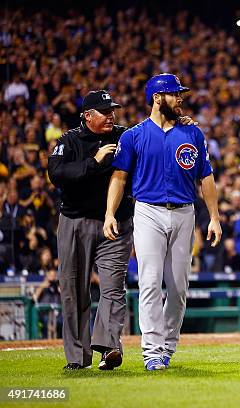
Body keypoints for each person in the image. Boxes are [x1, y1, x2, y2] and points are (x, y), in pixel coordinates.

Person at [104, 73, 222, 371]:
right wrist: (109, 213)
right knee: (150, 282)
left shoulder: (192, 133)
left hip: (184, 212)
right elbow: (119, 177)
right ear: (157, 98)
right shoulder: (134, 135)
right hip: (148, 212)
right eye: (174, 94)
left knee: (179, 287)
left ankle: (168, 345)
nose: (180, 98)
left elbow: (205, 177)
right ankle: (152, 351)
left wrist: (215, 218)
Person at [48, 90, 133, 371]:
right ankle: (77, 357)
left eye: (112, 110)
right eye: (104, 111)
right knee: (74, 290)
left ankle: (109, 348)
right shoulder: (69, 140)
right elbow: (57, 175)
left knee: (113, 287)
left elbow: (153, 137)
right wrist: (94, 162)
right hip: (76, 222)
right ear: (87, 116)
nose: (111, 115)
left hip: (116, 224)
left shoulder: (124, 135)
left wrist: (178, 122)